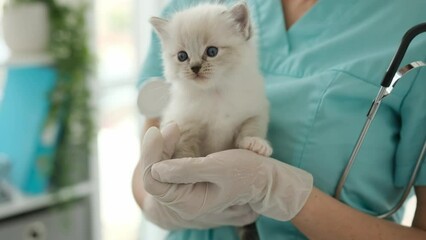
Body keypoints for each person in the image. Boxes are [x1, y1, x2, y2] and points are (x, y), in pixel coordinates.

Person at [133, 0, 426, 239]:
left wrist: (282, 192)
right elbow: (148, 159)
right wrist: (158, 205)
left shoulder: (414, 21)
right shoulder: (186, 12)